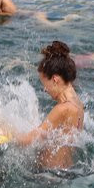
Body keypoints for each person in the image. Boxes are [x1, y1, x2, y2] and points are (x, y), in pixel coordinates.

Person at [15, 41, 84, 170]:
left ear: (55, 79)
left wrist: (6, 132)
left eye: (44, 84)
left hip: (48, 176)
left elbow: (30, 139)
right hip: (64, 171)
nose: (45, 90)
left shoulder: (63, 108)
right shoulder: (79, 105)